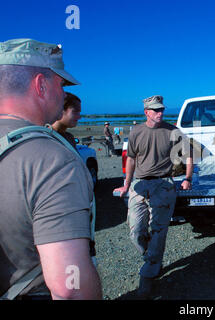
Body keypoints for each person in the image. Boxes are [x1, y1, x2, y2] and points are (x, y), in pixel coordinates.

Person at [0, 38, 102, 300]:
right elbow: (70, 288)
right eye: (62, 84)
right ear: (41, 85)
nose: (65, 94)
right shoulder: (53, 160)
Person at [114, 95, 193, 299]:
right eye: (155, 110)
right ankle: (151, 255)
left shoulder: (172, 131)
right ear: (146, 112)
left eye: (161, 110)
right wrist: (126, 183)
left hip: (163, 184)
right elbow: (131, 159)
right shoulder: (136, 132)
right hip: (139, 184)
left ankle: (149, 272)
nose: (160, 113)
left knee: (159, 230)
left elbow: (188, 155)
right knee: (136, 230)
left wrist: (188, 178)